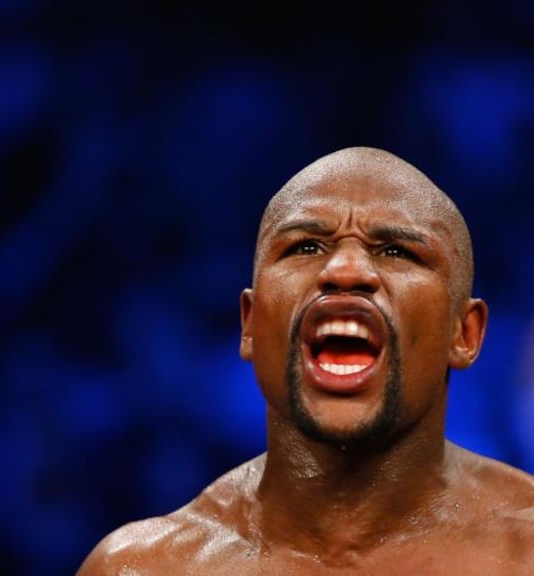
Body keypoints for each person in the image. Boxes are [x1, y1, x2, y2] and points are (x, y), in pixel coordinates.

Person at [76, 146, 534, 574]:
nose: (345, 272)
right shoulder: (147, 567)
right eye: (305, 247)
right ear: (250, 324)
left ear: (465, 333)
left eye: (396, 251)